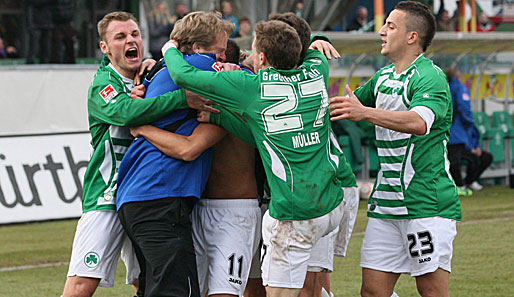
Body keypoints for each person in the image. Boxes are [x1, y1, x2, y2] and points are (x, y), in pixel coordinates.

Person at [163, 19, 346, 297]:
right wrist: (320, 38)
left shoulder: (250, 86)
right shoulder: (317, 71)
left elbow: (182, 76)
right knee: (310, 288)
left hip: (294, 213)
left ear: (261, 56)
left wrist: (169, 48)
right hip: (331, 204)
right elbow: (263, 135)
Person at [61, 11, 206, 297]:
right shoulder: (104, 84)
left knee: (149, 282)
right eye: (121, 37)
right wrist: (182, 98)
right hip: (106, 196)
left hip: (141, 197)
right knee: (81, 285)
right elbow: (126, 113)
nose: (131, 41)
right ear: (105, 48)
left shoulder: (150, 75)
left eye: (135, 34)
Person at [329, 2, 462, 297]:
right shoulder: (383, 77)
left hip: (426, 204)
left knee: (431, 292)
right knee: (372, 292)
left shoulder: (430, 76)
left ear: (412, 37)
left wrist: (365, 113)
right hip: (386, 206)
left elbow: (418, 122)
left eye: (390, 26)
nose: (381, 31)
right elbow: (342, 108)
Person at [117, 12, 244, 297]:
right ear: (198, 48)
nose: (223, 58)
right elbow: (258, 81)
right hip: (161, 197)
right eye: (219, 51)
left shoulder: (159, 72)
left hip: (138, 197)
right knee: (178, 291)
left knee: (153, 288)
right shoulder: (200, 68)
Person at [446, 68, 492, 194]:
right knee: (455, 159)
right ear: (459, 77)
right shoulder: (460, 89)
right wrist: (470, 122)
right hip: (457, 134)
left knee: (452, 160)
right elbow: (464, 108)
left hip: (446, 133)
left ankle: (463, 184)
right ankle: (460, 185)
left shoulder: (444, 88)